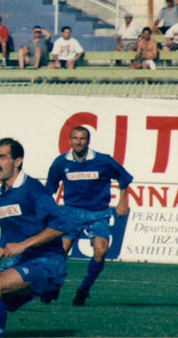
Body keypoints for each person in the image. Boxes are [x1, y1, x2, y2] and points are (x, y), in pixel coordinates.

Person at [0, 138, 67, 338]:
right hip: (20, 261)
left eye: (2, 157)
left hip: (47, 262)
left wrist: (23, 245)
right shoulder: (3, 192)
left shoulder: (33, 189)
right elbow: (8, 237)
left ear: (17, 161)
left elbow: (60, 225)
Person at [45, 126, 133, 306]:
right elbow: (50, 188)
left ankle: (83, 290)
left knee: (101, 250)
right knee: (61, 249)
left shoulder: (102, 161)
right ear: (70, 141)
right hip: (70, 212)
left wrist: (122, 201)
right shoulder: (61, 162)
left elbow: (123, 177)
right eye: (75, 138)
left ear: (88, 141)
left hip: (98, 213)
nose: (78, 142)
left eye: (82, 138)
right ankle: (53, 285)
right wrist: (46, 209)